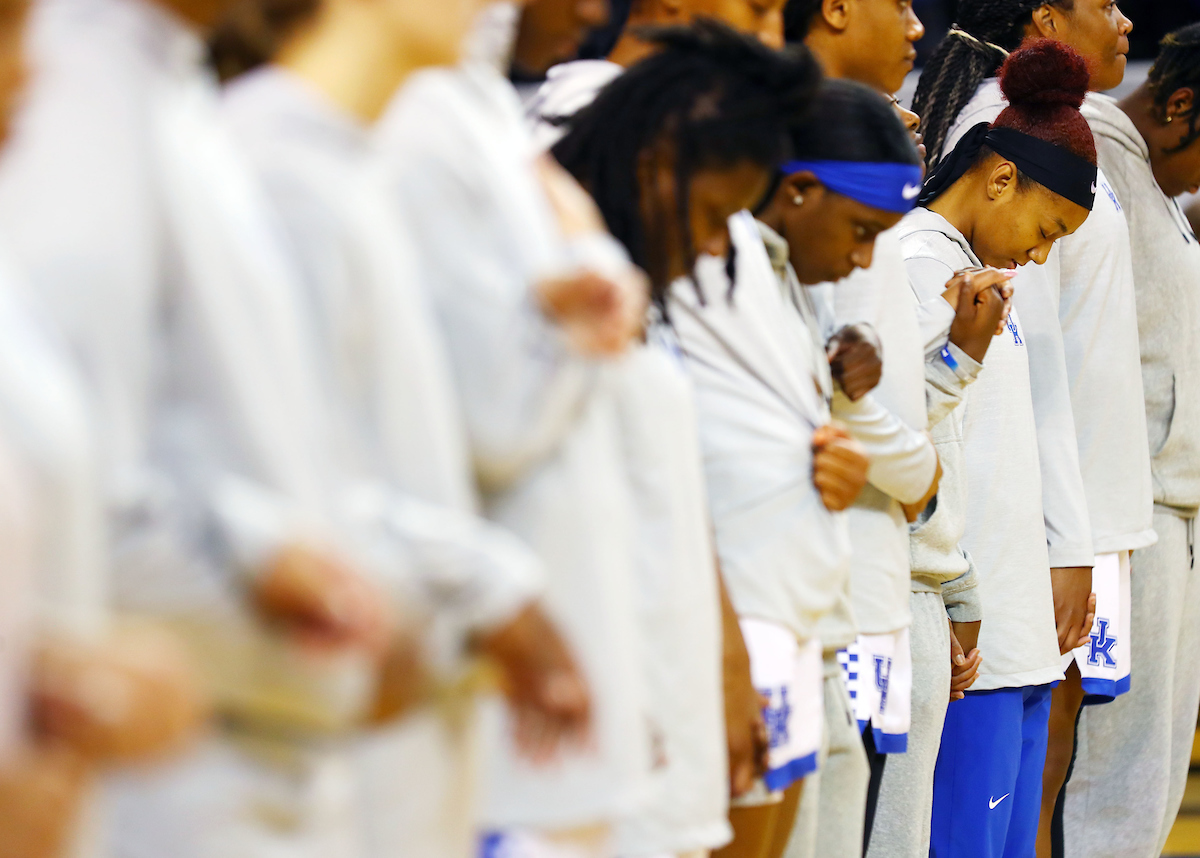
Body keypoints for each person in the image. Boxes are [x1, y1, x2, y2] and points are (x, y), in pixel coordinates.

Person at [0, 0, 457, 850]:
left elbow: (189, 456)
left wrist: (264, 547)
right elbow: (87, 506)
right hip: (176, 781)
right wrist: (340, 659)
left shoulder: (169, 96)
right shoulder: (77, 100)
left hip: (253, 755)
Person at [211, 2, 609, 857]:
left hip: (390, 685)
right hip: (296, 727)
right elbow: (267, 489)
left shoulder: (360, 149)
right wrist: (482, 586)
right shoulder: (290, 163)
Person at [378, 3, 658, 856]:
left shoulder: (485, 114)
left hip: (543, 642)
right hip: (490, 651)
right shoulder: (423, 125)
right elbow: (492, 418)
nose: (588, 10)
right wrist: (595, 272)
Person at [553, 23, 823, 858]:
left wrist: (727, 653)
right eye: (712, 216)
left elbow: (675, 497)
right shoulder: (562, 266)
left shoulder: (639, 294)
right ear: (652, 163)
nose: (714, 248)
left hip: (664, 677)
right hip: (578, 690)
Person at [916, 6, 1150, 856]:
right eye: (1047, 233)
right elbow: (931, 428)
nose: (1043, 255)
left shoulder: (993, 235)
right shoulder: (938, 243)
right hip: (996, 577)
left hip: (1033, 561)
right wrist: (1062, 543)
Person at [1062, 23, 1200, 858]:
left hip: (1169, 508)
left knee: (1145, 775)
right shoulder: (1097, 161)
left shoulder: (1151, 183)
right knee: (1107, 777)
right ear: (1181, 104)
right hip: (1127, 516)